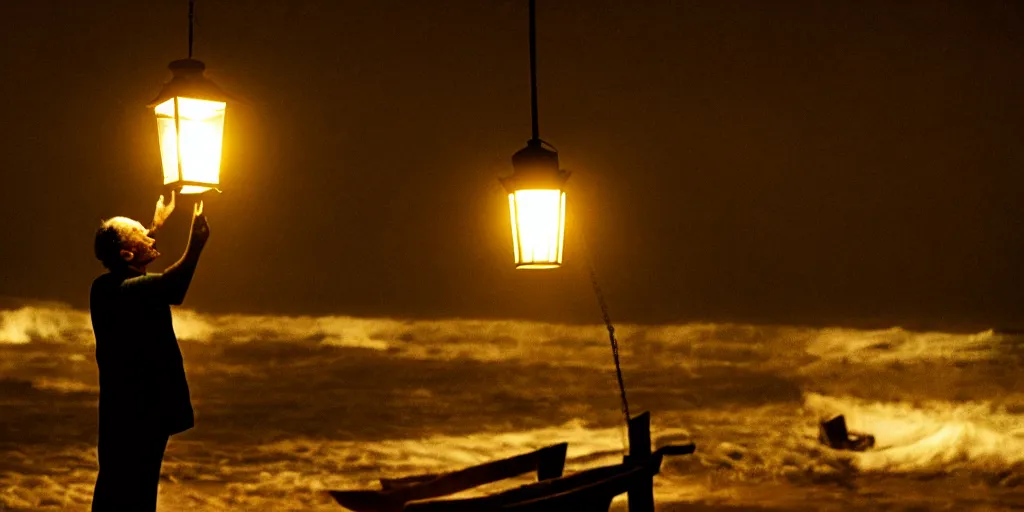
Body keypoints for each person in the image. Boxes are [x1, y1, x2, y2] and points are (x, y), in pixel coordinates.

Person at [89, 191, 210, 511]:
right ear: (128, 255)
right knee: (130, 494)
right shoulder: (118, 291)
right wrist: (196, 243)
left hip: (135, 414)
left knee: (124, 489)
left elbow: (129, 256)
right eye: (141, 231)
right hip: (134, 417)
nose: (148, 232)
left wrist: (156, 223)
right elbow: (174, 286)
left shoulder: (112, 284)